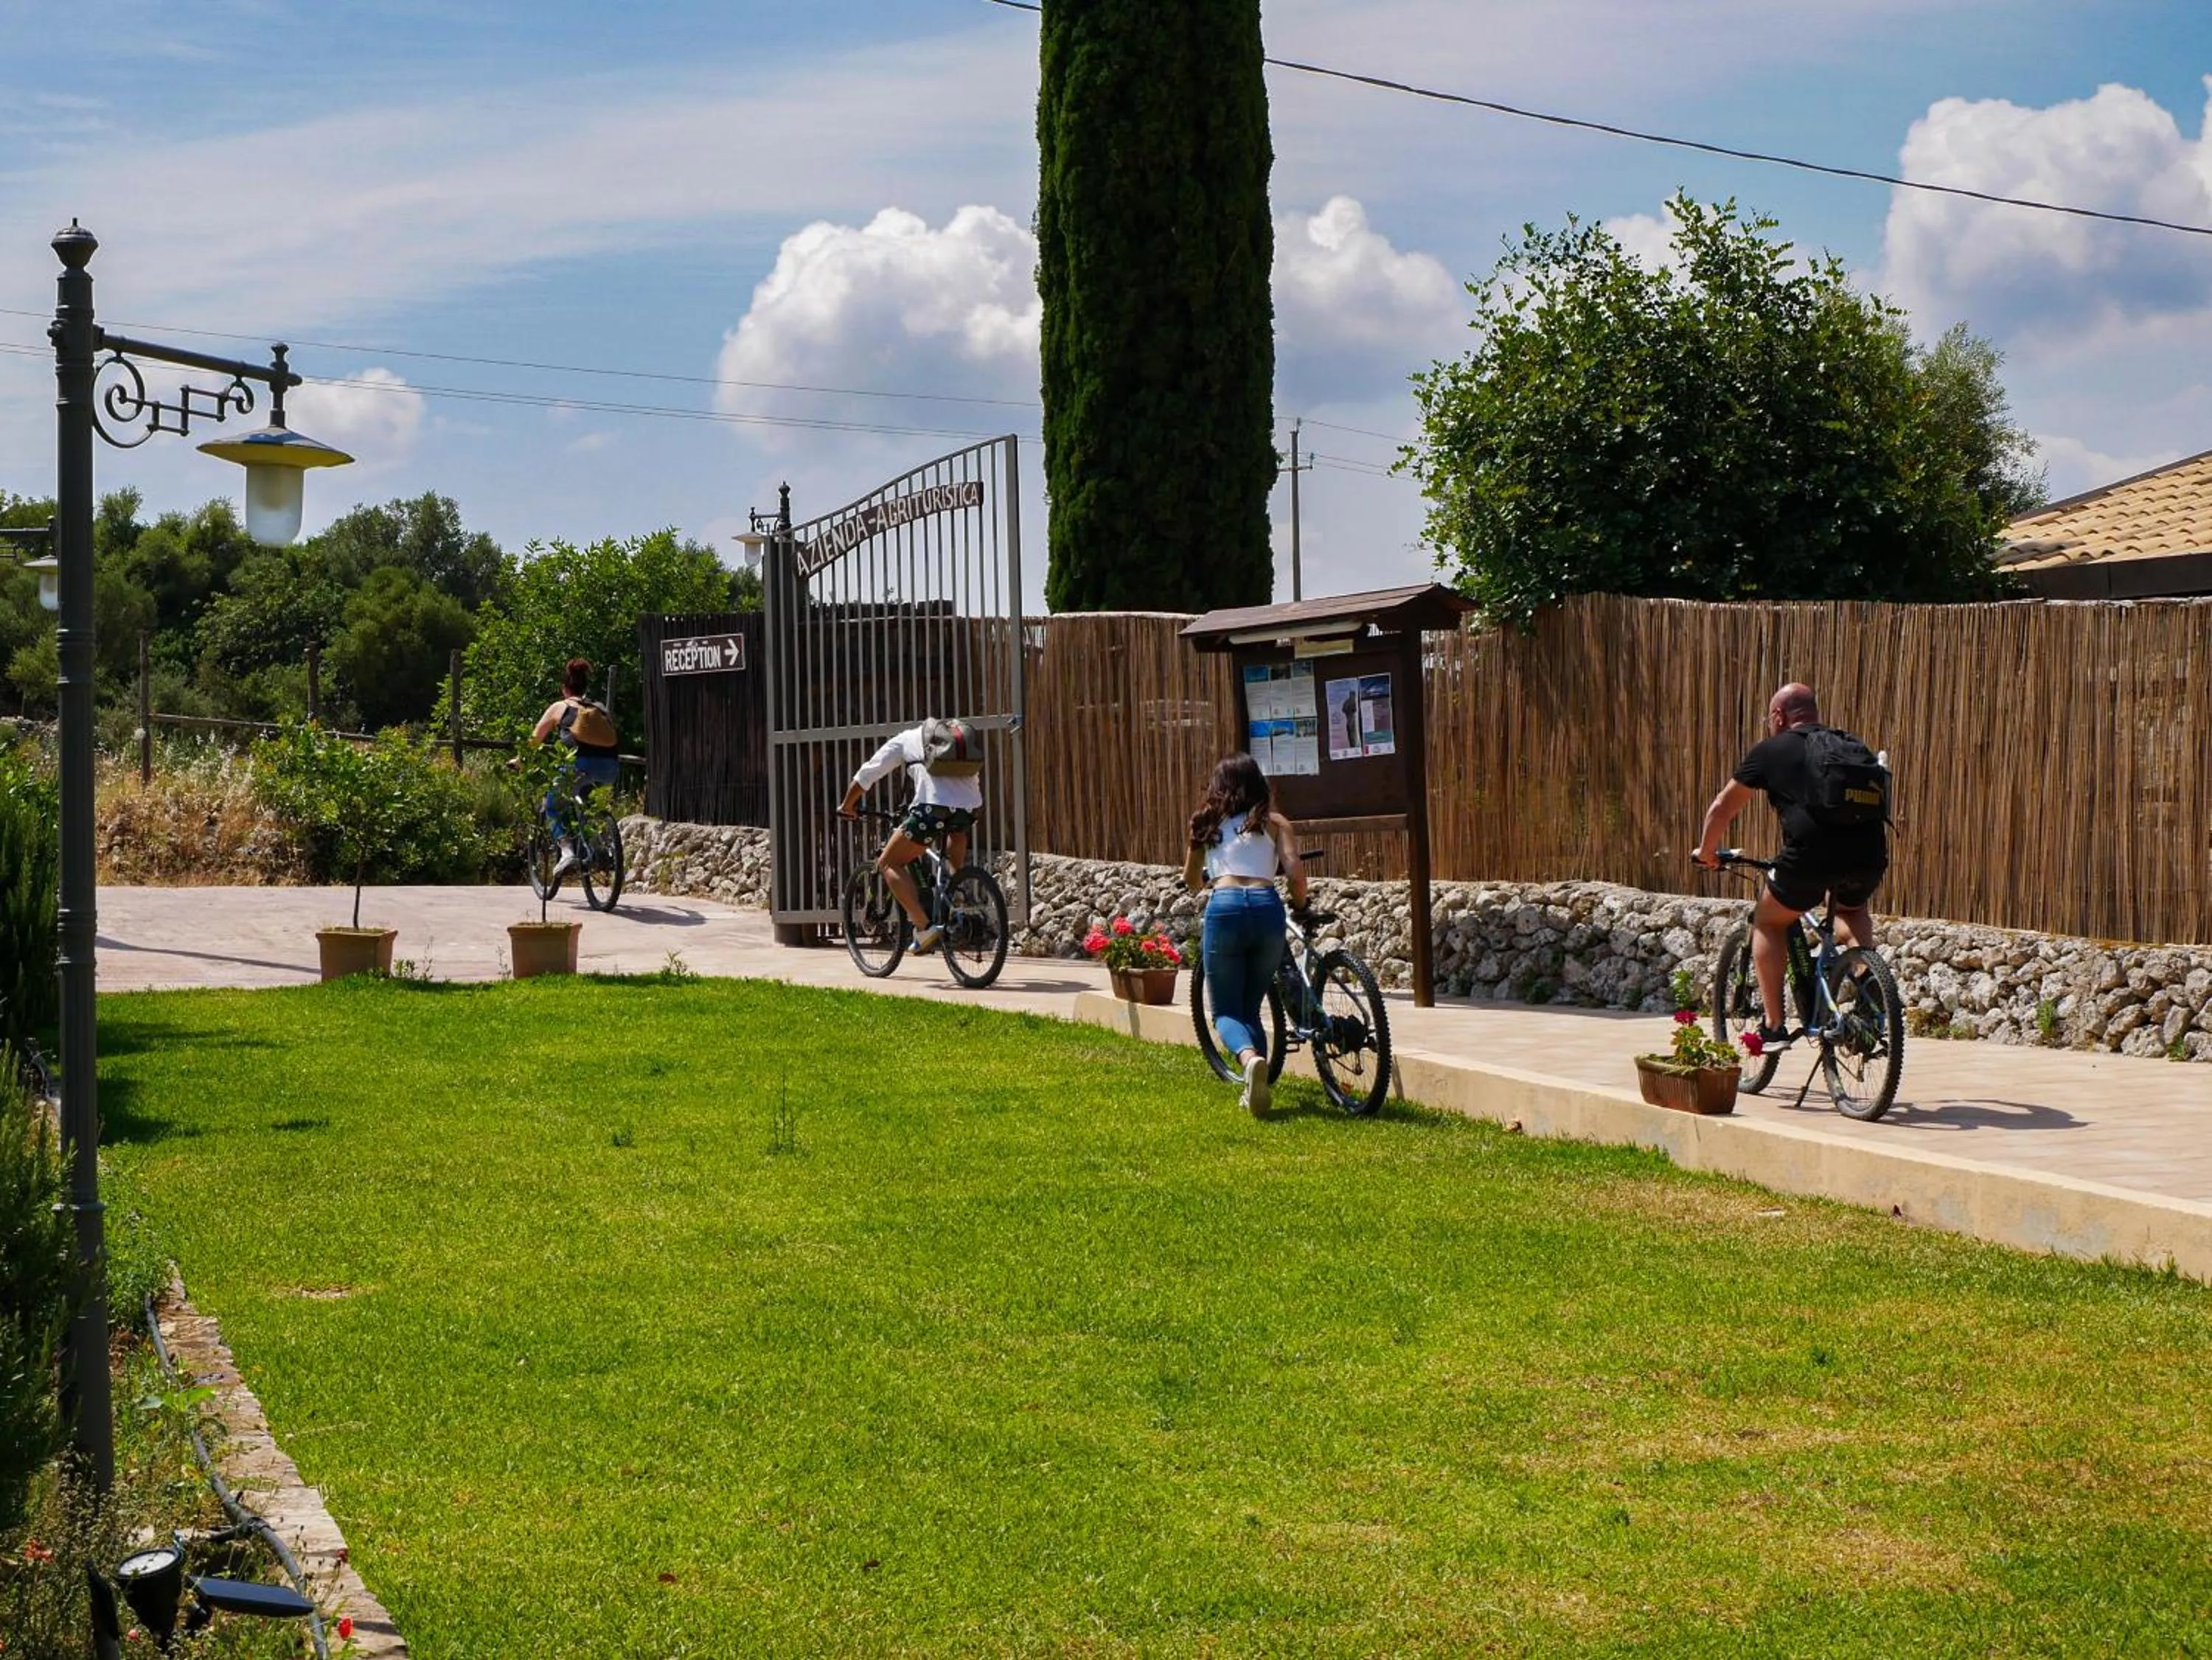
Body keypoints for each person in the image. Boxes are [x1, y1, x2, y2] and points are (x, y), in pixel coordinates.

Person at [1694, 682, 1889, 1049]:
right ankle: (1870, 989)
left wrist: (1707, 852)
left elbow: (1722, 807)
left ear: (1778, 716)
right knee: (1851, 910)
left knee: (1769, 921)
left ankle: (1773, 1026)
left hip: (1809, 858)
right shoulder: (1851, 745)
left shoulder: (1772, 750)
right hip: (1868, 856)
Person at [1183, 753, 1308, 1117]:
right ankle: (1257, 1088)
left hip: (1225, 907)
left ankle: (1250, 1059)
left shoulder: (1206, 823)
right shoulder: (1275, 823)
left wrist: (1203, 876)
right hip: (1267, 908)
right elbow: (1295, 874)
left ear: (1218, 786)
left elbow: (1191, 881)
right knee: (1251, 1006)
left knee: (1225, 1011)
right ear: (1258, 783)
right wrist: (1301, 904)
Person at [837, 717, 984, 952]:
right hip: (971, 807)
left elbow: (869, 773)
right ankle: (954, 890)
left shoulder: (905, 739)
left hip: (931, 809)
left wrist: (847, 805)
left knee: (888, 863)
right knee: (956, 829)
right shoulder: (954, 739)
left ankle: (924, 928)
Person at [529, 658, 621, 878]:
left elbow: (534, 740)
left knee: (552, 806)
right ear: (584, 687)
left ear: (564, 689)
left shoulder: (560, 707)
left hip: (578, 766)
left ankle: (567, 852)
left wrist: (520, 761)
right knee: (584, 803)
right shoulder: (599, 708)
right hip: (610, 767)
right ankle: (598, 847)